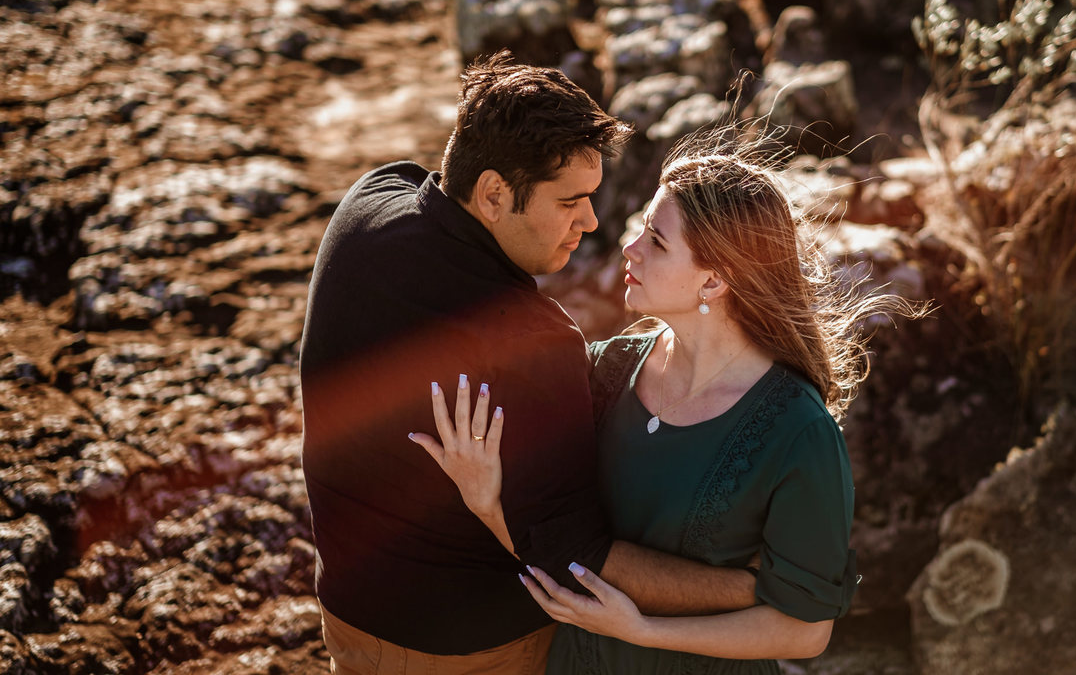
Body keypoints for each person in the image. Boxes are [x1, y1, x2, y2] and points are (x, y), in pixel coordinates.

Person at [299, 52, 758, 675]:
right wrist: (754, 592)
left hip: (349, 617)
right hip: (474, 652)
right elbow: (578, 558)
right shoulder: (534, 345)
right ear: (493, 193)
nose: (591, 222)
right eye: (570, 201)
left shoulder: (368, 203)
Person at [413, 141, 905, 673]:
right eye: (641, 229)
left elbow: (804, 630)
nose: (630, 249)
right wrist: (488, 501)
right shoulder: (604, 370)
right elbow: (561, 547)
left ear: (713, 281)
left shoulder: (798, 432)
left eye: (657, 241)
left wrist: (644, 630)